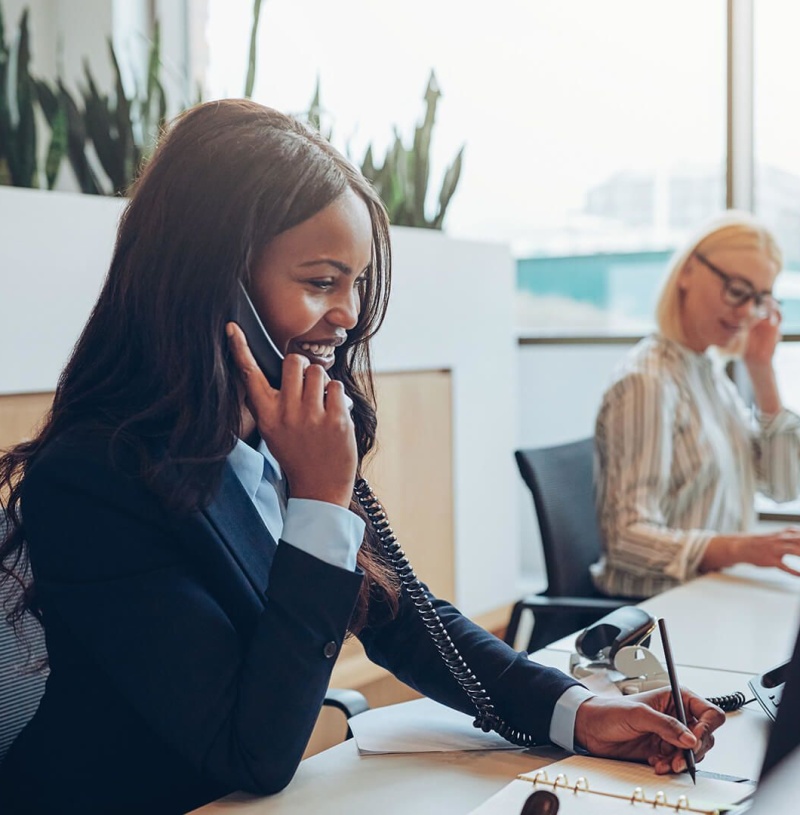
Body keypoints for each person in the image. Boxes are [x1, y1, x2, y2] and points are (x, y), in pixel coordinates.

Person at [0, 99, 724, 815]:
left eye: (356, 283)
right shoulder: (93, 479)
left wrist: (577, 710)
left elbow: (404, 613)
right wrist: (319, 500)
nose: (347, 317)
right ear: (212, 281)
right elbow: (252, 753)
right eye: (321, 282)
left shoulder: (272, 435)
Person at [592, 211, 800, 600]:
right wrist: (739, 549)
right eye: (737, 290)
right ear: (688, 272)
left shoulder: (708, 373)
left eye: (758, 299)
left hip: (713, 594)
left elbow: (784, 486)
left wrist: (761, 369)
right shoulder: (647, 381)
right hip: (660, 613)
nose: (745, 313)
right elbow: (626, 539)